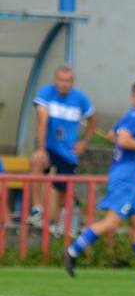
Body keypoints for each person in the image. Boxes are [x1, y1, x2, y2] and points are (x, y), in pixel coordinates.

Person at [62, 82, 135, 281]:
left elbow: (113, 134)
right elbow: (122, 140)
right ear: (133, 98)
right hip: (125, 179)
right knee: (111, 222)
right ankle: (72, 250)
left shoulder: (131, 117)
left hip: (129, 177)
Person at [29, 65, 97, 231]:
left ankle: (58, 224)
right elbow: (43, 119)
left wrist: (85, 141)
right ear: (55, 80)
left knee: (62, 191)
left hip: (68, 152)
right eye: (60, 79)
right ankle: (37, 209)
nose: (63, 84)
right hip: (49, 146)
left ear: (72, 82)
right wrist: (41, 148)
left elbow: (93, 119)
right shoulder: (46, 92)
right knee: (36, 162)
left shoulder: (80, 98)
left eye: (67, 80)